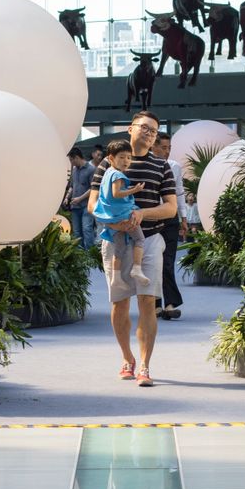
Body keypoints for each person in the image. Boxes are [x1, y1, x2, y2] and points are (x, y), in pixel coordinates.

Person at [89, 111, 177, 388]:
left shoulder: (161, 166)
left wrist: (141, 214)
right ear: (131, 129)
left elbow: (171, 208)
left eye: (154, 131)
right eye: (145, 128)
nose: (150, 134)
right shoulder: (108, 162)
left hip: (148, 239)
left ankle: (145, 365)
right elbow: (92, 204)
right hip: (115, 240)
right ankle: (127, 358)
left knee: (148, 301)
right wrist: (114, 223)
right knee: (120, 303)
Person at [93, 140, 152, 287]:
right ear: (111, 158)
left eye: (129, 157)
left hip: (112, 217)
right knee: (139, 239)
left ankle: (116, 277)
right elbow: (116, 193)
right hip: (124, 215)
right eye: (121, 157)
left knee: (119, 248)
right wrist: (134, 190)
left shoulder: (107, 173)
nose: (126, 161)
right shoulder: (117, 175)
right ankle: (137, 268)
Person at [151, 133, 186, 320]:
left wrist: (184, 217)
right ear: (153, 147)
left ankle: (170, 303)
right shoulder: (146, 166)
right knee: (153, 262)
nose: (167, 151)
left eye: (169, 148)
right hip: (151, 218)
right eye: (164, 147)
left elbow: (179, 192)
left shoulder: (175, 166)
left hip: (170, 218)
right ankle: (156, 304)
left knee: (168, 261)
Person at [66, 147, 97, 249]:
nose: (71, 163)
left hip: (87, 206)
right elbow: (72, 186)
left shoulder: (91, 169)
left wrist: (80, 198)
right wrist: (67, 197)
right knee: (76, 231)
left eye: (71, 160)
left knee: (87, 229)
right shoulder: (75, 170)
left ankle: (90, 254)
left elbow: (93, 188)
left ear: (76, 157)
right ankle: (80, 255)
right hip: (75, 206)